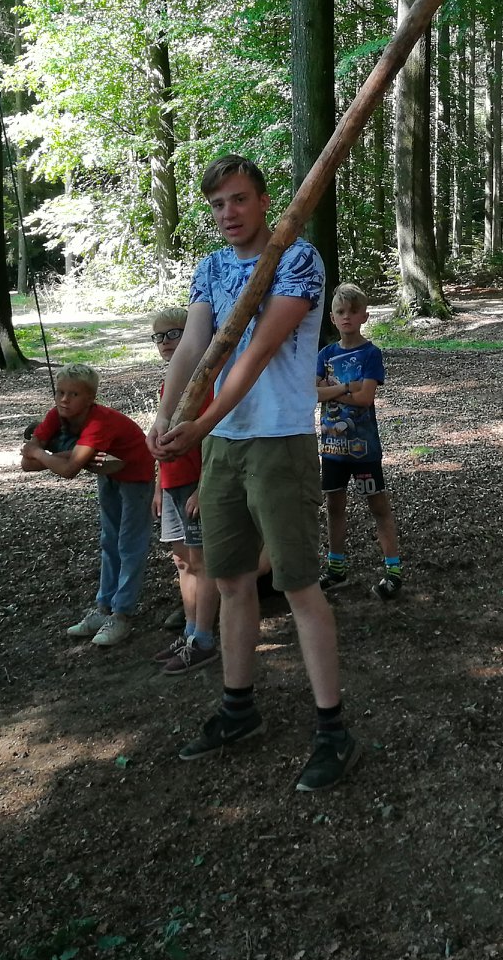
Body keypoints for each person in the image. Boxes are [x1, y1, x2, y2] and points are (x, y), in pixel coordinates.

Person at [151, 154, 360, 793]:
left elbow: (262, 348)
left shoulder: (298, 258)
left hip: (279, 442)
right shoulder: (211, 268)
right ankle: (238, 710)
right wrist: (163, 420)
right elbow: (195, 347)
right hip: (224, 449)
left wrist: (202, 423)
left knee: (298, 584)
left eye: (239, 200)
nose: (228, 214)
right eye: (217, 204)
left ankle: (333, 730)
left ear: (264, 201)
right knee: (233, 580)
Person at [21, 363, 156, 649]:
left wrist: (44, 454)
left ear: (90, 398)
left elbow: (67, 470)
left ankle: (122, 613)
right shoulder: (56, 416)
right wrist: (56, 456)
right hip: (108, 473)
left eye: (74, 394)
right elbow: (26, 463)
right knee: (109, 540)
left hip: (135, 477)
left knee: (130, 544)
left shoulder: (99, 422)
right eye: (60, 392)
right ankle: (104, 607)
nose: (64, 400)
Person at [316, 283, 405, 602]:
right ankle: (336, 567)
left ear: (364, 316)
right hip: (331, 450)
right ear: (332, 317)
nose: (347, 317)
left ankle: (393, 571)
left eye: (353, 311)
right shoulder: (325, 354)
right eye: (341, 312)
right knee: (334, 507)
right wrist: (347, 388)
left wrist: (336, 387)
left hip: (364, 450)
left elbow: (366, 398)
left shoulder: (371, 353)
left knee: (378, 506)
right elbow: (314, 393)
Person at [148, 307, 219, 676]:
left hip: (196, 484)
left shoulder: (206, 383)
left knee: (203, 562)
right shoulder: (168, 387)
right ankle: (191, 630)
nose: (164, 343)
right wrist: (160, 486)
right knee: (183, 562)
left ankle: (204, 638)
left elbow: (215, 439)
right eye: (157, 337)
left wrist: (204, 488)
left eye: (172, 334)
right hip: (173, 483)